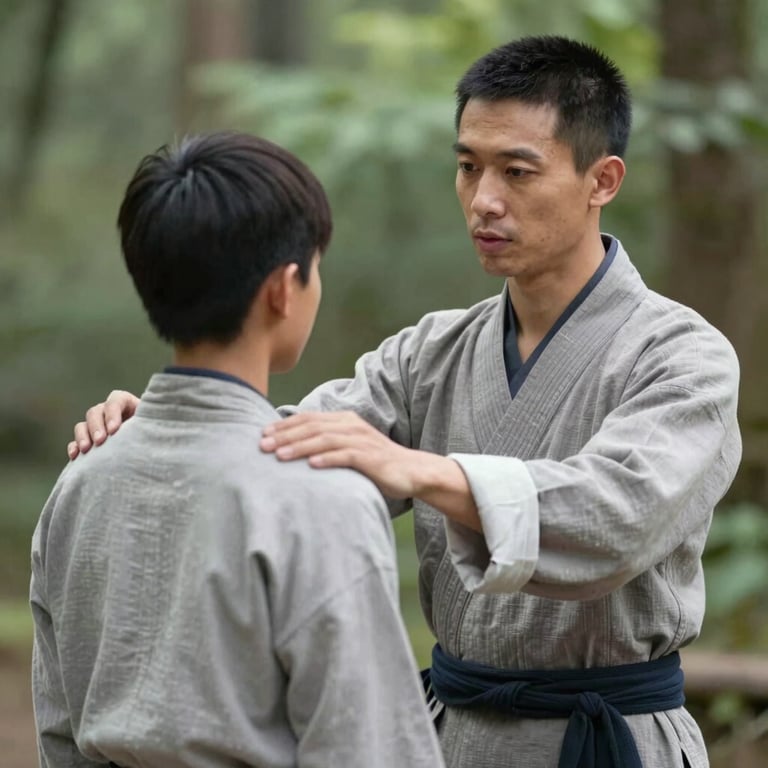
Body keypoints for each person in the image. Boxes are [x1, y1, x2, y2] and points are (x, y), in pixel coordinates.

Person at [68, 36, 742, 768]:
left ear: (601, 179)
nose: (484, 200)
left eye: (517, 171)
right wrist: (171, 422)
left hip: (605, 739)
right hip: (451, 735)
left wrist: (420, 471)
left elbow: (619, 515)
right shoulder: (431, 352)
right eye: (467, 167)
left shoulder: (683, 357)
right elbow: (294, 445)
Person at [32, 131, 445, 768]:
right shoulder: (323, 495)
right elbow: (369, 747)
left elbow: (60, 729)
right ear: (284, 288)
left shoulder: (84, 479)